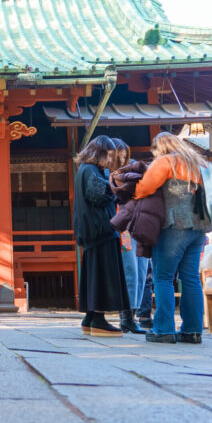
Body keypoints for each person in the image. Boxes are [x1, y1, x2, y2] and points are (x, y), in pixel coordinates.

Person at [133, 132, 212, 344]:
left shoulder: (166, 161)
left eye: (155, 151)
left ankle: (164, 329)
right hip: (199, 227)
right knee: (191, 278)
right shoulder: (199, 163)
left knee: (163, 277)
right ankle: (192, 331)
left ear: (161, 147)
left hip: (174, 224)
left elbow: (143, 189)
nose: (154, 155)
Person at [72, 135, 129, 337]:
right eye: (109, 155)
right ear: (100, 153)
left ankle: (90, 316)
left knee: (95, 273)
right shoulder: (91, 170)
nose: (110, 160)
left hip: (92, 231)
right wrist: (115, 187)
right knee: (103, 274)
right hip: (101, 229)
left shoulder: (83, 170)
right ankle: (98, 317)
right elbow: (98, 195)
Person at [109, 138, 150, 335]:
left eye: (125, 153)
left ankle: (133, 314)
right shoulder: (107, 174)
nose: (124, 157)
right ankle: (126, 316)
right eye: (120, 154)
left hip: (140, 223)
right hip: (123, 227)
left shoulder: (135, 170)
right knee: (130, 270)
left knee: (142, 270)